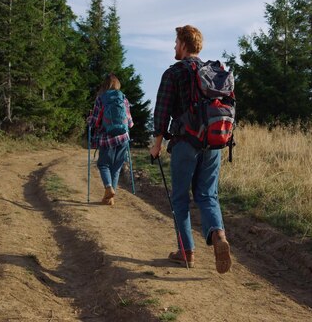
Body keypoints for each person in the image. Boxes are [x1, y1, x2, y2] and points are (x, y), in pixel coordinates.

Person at [149, 25, 232, 274]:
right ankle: (218, 236)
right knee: (207, 195)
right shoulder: (214, 72)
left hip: (186, 141)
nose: (174, 47)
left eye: (176, 42)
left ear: (184, 45)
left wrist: (157, 144)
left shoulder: (175, 72)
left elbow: (162, 111)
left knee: (180, 198)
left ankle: (186, 251)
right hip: (214, 142)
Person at [87, 73, 134, 206]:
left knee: (103, 164)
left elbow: (95, 122)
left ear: (105, 85)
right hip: (123, 138)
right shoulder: (123, 98)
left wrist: (89, 120)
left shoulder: (100, 99)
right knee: (116, 168)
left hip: (107, 138)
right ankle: (109, 198)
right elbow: (130, 123)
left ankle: (108, 188)